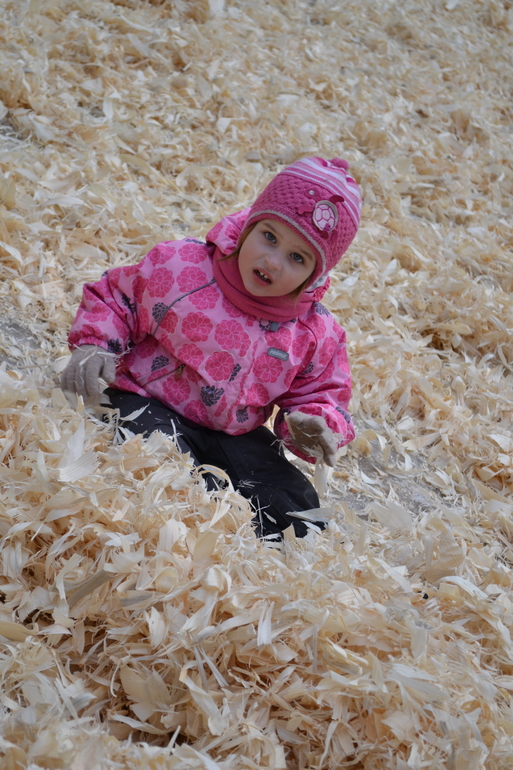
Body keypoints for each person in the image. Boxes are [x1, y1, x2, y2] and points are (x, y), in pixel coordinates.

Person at [60, 157, 361, 540]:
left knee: (297, 513)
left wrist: (311, 424)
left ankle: (249, 550)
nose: (273, 260)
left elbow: (323, 393)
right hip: (151, 403)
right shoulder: (184, 267)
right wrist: (95, 344)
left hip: (233, 433)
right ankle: (200, 529)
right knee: (161, 473)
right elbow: (120, 299)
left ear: (315, 273)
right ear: (250, 223)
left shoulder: (314, 332)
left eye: (297, 257)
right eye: (268, 236)